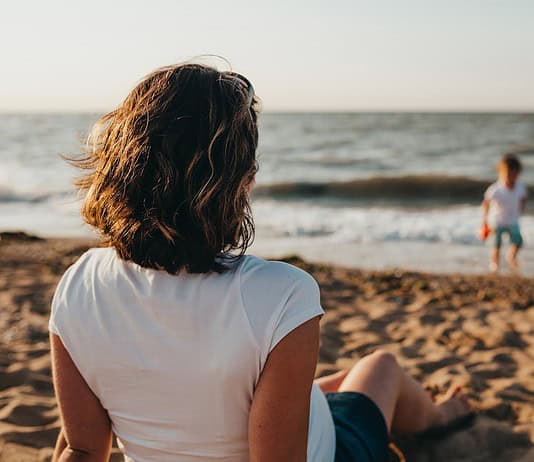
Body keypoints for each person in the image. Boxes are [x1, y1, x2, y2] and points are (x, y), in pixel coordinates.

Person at [49, 63, 471, 462]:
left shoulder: (78, 285)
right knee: (381, 368)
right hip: (333, 450)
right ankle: (444, 417)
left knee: (331, 386)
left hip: (241, 415)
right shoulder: (282, 294)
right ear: (241, 183)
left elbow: (83, 451)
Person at [482, 154, 528, 272]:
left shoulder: (520, 187)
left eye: (514, 174)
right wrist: (485, 220)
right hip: (497, 221)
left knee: (518, 242)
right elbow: (486, 203)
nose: (511, 177)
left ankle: (511, 256)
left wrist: (521, 209)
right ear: (500, 173)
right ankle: (494, 263)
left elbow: (523, 198)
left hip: (513, 220)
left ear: (518, 174)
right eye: (508, 174)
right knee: (496, 244)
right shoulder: (496, 189)